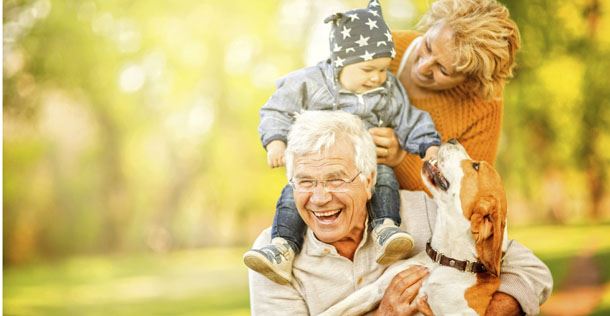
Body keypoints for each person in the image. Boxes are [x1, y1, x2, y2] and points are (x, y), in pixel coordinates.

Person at [248, 111, 552, 315]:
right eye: (305, 181)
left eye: (335, 178)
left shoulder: (428, 211)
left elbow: (534, 273)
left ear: (369, 180)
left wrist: (479, 310)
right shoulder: (271, 257)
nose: (320, 197)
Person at [244, 0, 442, 285]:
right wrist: (275, 141)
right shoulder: (311, 83)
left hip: (365, 164)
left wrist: (429, 146)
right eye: (368, 69)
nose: (377, 77)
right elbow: (276, 108)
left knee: (384, 177)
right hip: (317, 165)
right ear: (341, 62)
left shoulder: (385, 89)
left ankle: (386, 229)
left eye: (384, 69)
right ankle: (282, 246)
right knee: (297, 194)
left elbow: (410, 118)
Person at [371, 0, 521, 191]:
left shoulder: (482, 105)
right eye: (428, 45)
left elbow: (468, 192)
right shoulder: (381, 48)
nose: (423, 67)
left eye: (443, 69)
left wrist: (400, 159)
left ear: (470, 81)